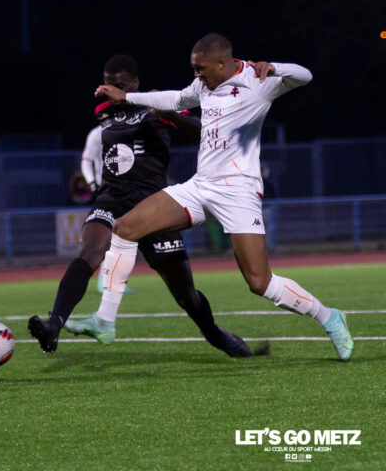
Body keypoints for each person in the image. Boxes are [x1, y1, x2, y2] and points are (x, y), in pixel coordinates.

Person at [92, 33, 353, 361]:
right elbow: (174, 100)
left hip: (239, 192)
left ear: (221, 63)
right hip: (201, 186)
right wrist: (127, 98)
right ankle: (104, 320)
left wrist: (275, 67)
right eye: (193, 68)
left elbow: (305, 75)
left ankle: (329, 317)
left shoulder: (258, 81)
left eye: (201, 68)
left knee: (259, 282)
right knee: (126, 227)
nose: (196, 75)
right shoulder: (203, 85)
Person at [28, 54, 260, 358]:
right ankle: (53, 327)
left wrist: (171, 114)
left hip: (153, 205)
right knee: (89, 250)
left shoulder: (157, 103)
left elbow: (203, 131)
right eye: (108, 84)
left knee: (186, 295)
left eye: (121, 84)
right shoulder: (103, 111)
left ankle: (215, 334)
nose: (113, 89)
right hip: (111, 199)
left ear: (135, 84)